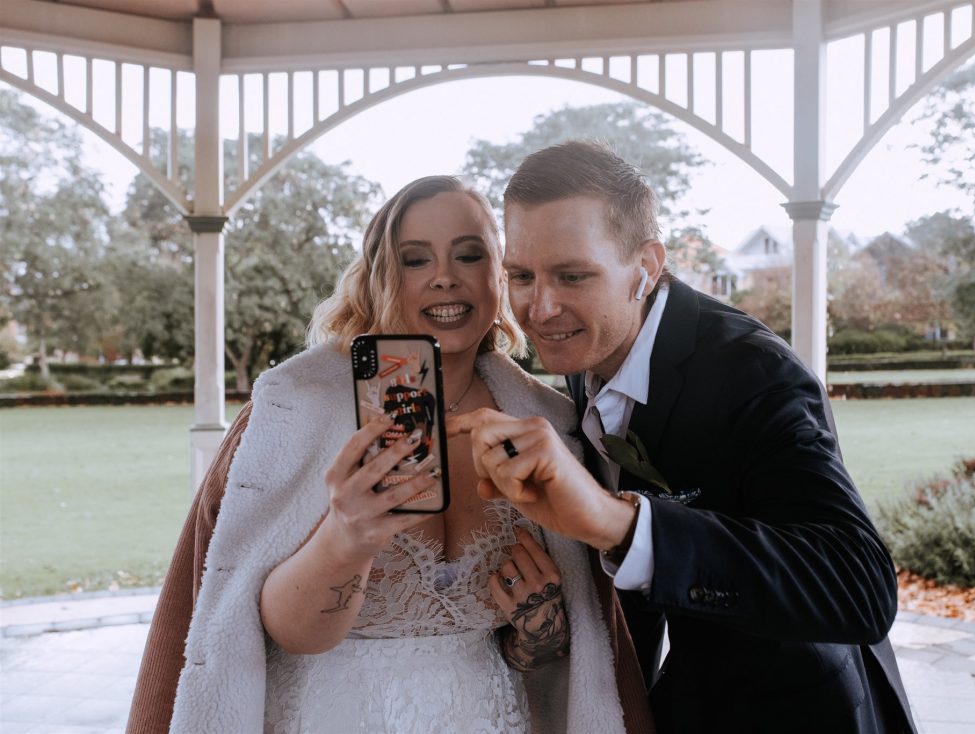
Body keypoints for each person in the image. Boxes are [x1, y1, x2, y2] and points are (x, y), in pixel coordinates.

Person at [126, 175, 652, 733]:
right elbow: (275, 632)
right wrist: (347, 538)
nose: (445, 277)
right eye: (415, 259)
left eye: (469, 255)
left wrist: (538, 634)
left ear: (499, 274)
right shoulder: (294, 410)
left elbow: (565, 657)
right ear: (381, 273)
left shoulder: (545, 423)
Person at [451, 141, 917, 733]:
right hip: (682, 701)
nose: (539, 309)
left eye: (573, 275)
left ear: (645, 266)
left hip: (800, 710)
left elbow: (861, 588)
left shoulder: (755, 373)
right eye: (520, 275)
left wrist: (618, 522)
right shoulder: (580, 349)